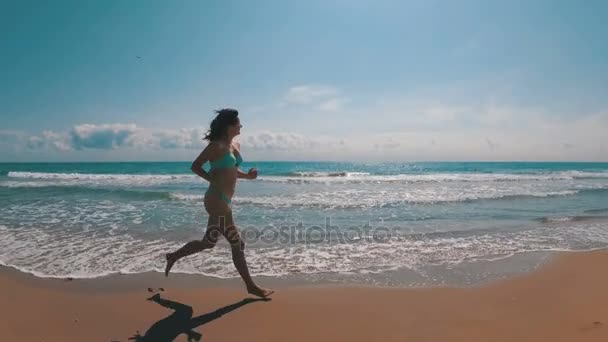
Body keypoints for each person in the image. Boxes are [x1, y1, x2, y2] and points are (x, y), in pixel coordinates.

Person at [164, 108, 273, 298]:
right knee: (238, 244)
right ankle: (251, 286)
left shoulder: (235, 145)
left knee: (208, 242)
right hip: (216, 200)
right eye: (239, 123)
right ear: (229, 125)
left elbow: (230, 171)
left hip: (224, 200)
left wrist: (248, 176)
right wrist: (211, 179)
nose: (241, 126)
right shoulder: (216, 146)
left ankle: (173, 256)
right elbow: (195, 166)